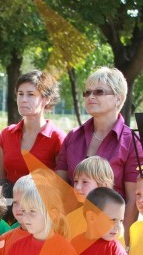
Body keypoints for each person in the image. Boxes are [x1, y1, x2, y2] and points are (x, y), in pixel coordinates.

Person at [56, 67, 142, 237]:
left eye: (99, 92)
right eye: (87, 92)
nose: (91, 97)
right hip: (72, 232)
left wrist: (123, 241)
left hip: (109, 234)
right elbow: (59, 189)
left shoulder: (131, 141)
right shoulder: (73, 136)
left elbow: (132, 199)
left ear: (118, 98)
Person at [0, 71, 65, 184]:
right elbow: (0, 180)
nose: (23, 99)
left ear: (46, 99)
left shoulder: (57, 137)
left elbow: (61, 185)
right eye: (20, 94)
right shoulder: (6, 134)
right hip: (8, 200)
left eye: (31, 94)